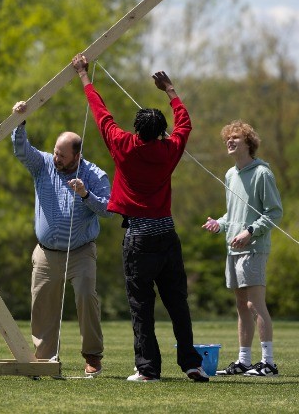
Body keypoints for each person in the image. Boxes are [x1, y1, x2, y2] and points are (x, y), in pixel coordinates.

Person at [71, 53, 209, 383]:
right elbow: (185, 124)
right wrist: (170, 90)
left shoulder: (124, 145)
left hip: (138, 239)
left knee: (141, 306)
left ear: (137, 130)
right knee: (178, 303)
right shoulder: (170, 149)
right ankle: (192, 364)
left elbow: (101, 114)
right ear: (162, 132)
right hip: (167, 237)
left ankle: (148, 369)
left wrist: (84, 76)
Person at [11, 102, 113, 375]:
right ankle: (45, 359)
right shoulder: (43, 164)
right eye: (56, 152)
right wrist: (20, 122)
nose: (57, 158)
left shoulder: (95, 175)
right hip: (45, 252)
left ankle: (92, 355)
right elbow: (22, 151)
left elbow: (109, 210)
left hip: (81, 251)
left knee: (85, 297)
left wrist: (85, 195)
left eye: (62, 155)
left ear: (77, 156)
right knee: (42, 304)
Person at [202, 120, 283, 377]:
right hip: (233, 249)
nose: (230, 141)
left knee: (254, 304)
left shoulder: (262, 173)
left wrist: (250, 231)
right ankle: (244, 361)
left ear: (249, 143)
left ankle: (268, 362)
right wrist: (220, 223)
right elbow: (233, 213)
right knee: (240, 305)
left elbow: (274, 212)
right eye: (228, 137)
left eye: (236, 137)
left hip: (254, 247)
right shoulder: (229, 174)